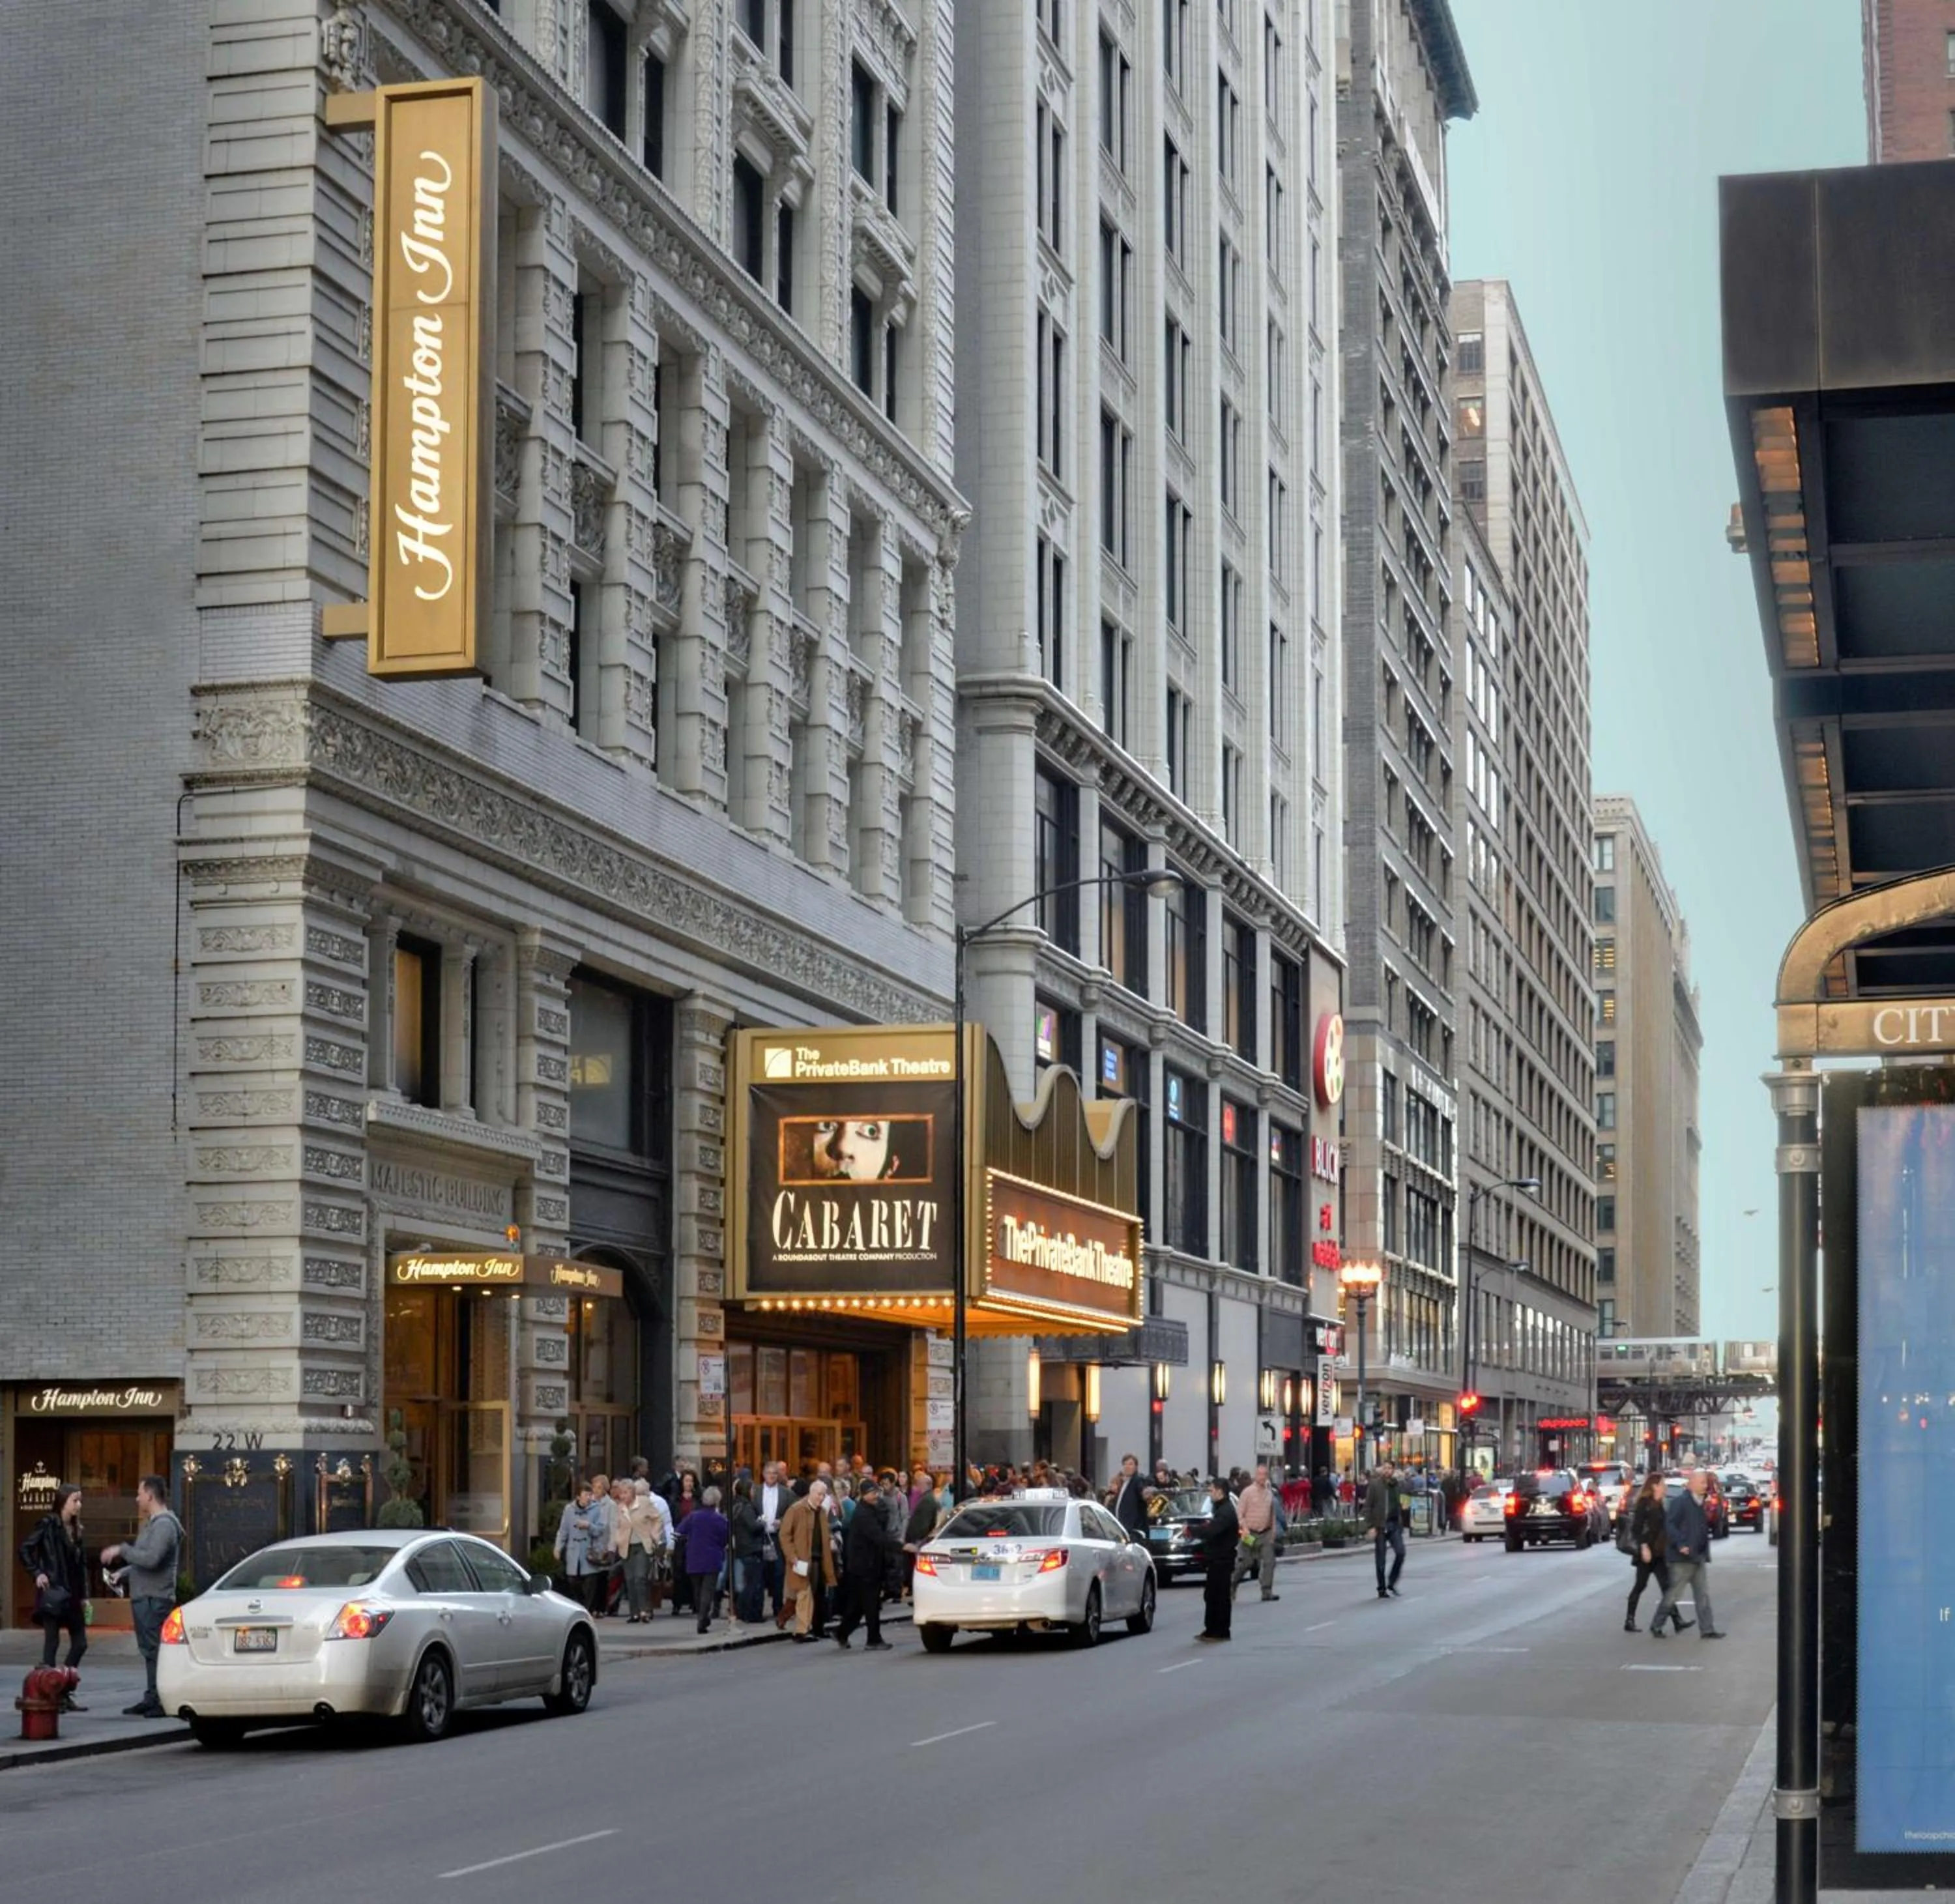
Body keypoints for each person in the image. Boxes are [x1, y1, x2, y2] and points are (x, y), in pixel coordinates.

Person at [100, 1475, 182, 1718]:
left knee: (155, 1650)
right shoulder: (154, 1524)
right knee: (149, 1650)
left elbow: (152, 1559)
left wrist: (122, 1550)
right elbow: (144, 1559)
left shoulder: (165, 1526)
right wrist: (123, 1573)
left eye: (139, 1493)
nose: (137, 1499)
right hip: (146, 1596)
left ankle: (161, 1700)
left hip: (155, 1598)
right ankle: (152, 1697)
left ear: (150, 1495)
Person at [19, 1484, 91, 1709]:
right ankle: (50, 1695)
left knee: (80, 1643)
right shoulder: (49, 1524)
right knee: (52, 1642)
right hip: (53, 1592)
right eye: (74, 1500)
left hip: (72, 1595)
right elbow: (25, 1549)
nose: (78, 1505)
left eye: (80, 1501)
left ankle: (62, 1689)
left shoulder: (77, 1530)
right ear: (63, 1502)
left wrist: (85, 1595)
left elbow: (81, 1566)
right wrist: (37, 1573)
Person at [1651, 1469, 1726, 1641]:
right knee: (1673, 1594)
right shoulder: (1681, 1502)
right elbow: (1670, 1525)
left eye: (1706, 1483)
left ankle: (1707, 1629)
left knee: (1702, 1595)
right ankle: (1657, 1624)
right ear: (1691, 1483)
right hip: (1682, 1559)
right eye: (1702, 1483)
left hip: (1697, 1556)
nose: (1705, 1486)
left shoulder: (1700, 1502)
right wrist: (1680, 1544)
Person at [836, 1478, 901, 1650]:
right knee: (871, 1604)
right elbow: (877, 1536)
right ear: (864, 1495)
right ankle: (873, 1639)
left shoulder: (872, 1510)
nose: (876, 1496)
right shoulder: (863, 1514)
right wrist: (901, 1547)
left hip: (868, 1565)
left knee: (859, 1606)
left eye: (877, 1492)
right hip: (864, 1567)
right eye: (872, 1493)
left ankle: (842, 1632)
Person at [1624, 1473, 1690, 1636]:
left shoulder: (1660, 1504)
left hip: (1659, 1553)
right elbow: (1637, 1528)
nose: (1665, 1487)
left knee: (1667, 1587)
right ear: (1655, 1486)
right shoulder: (1644, 1504)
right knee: (1640, 1585)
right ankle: (1629, 1620)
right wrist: (1643, 1547)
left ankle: (1677, 1620)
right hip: (1647, 1553)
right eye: (1663, 1484)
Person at [779, 1479, 835, 1640]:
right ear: (811, 1493)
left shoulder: (822, 1512)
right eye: (819, 1494)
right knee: (804, 1593)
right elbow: (785, 1535)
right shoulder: (796, 1509)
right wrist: (792, 1556)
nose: (821, 1498)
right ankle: (801, 1630)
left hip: (819, 1559)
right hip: (801, 1560)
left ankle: (816, 1628)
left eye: (824, 1495)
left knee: (818, 1594)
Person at [678, 1487, 732, 1633]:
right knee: (707, 1591)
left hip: (694, 1557)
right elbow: (726, 1539)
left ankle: (701, 1615)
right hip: (712, 1558)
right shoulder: (720, 1520)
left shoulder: (693, 1517)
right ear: (717, 1501)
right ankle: (703, 1618)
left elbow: (679, 1531)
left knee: (697, 1591)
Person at [624, 1478, 673, 1623]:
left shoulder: (654, 1503)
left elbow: (664, 1522)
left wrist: (661, 1540)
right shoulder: (625, 1504)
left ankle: (645, 1610)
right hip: (627, 1546)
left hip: (646, 1545)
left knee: (642, 1578)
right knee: (631, 1579)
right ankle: (635, 1612)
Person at [1197, 1478, 1239, 1642]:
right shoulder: (1220, 1508)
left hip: (1223, 1559)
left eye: (1212, 1490)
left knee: (1220, 1596)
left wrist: (1193, 1531)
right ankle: (1211, 1629)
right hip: (1216, 1558)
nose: (1210, 1494)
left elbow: (1213, 1530)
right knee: (1211, 1595)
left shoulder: (1226, 1511)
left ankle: (1220, 1631)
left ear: (1220, 1491)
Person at [1234, 1462, 1282, 1603]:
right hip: (1249, 1534)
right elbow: (1240, 1513)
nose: (1262, 1477)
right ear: (1256, 1476)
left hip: (1265, 1533)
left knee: (1269, 1561)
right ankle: (1232, 1583)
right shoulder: (1247, 1492)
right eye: (1260, 1474)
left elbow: (1272, 1514)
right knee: (1246, 1562)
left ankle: (1267, 1591)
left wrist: (1273, 1531)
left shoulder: (1269, 1494)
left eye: (1265, 1475)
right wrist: (1244, 1528)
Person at [553, 1483, 603, 1611]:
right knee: (573, 1581)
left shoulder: (596, 1509)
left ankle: (587, 1610)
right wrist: (558, 1547)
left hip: (590, 1551)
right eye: (586, 1495)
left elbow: (601, 1530)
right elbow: (563, 1531)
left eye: (590, 1495)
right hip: (574, 1550)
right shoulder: (569, 1509)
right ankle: (581, 1605)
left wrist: (589, 1526)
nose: (589, 1498)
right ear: (578, 1496)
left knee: (590, 1582)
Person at [757, 1461, 794, 1628]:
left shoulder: (786, 1493)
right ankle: (758, 1609)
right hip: (761, 1537)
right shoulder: (756, 1491)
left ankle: (778, 1607)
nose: (771, 1476)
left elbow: (794, 1512)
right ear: (763, 1475)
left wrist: (783, 1521)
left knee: (779, 1573)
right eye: (768, 1473)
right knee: (761, 1573)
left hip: (778, 1537)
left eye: (774, 1473)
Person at [727, 1478, 766, 1627]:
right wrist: (763, 1523)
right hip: (752, 1549)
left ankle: (743, 1611)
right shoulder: (746, 1507)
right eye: (752, 1489)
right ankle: (750, 1613)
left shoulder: (736, 1506)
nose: (754, 1492)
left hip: (742, 1548)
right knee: (754, 1584)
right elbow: (753, 1527)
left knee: (747, 1582)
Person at [1365, 1461, 1406, 1600]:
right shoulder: (1375, 1485)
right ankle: (1381, 1588)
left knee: (1401, 1552)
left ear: (1393, 1470)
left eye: (1390, 1468)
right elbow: (1368, 1506)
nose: (1387, 1470)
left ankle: (1392, 1582)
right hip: (1380, 1525)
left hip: (1394, 1524)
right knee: (1381, 1559)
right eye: (1385, 1468)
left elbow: (1403, 1501)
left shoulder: (1396, 1485)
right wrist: (1370, 1526)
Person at [1111, 1454, 1151, 1541]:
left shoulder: (1138, 1480)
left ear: (1136, 1467)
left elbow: (1142, 1490)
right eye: (1125, 1464)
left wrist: (1145, 1493)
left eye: (1130, 1464)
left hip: (1133, 1530)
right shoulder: (1123, 1483)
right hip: (1122, 1528)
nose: (1127, 1467)